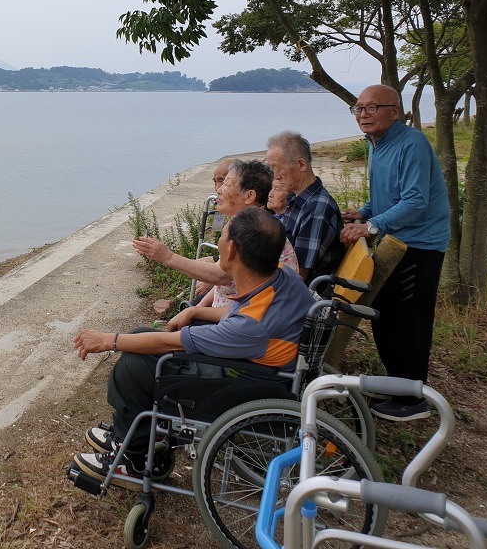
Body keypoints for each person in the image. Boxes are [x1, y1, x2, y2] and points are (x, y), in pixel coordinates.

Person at [72, 208, 316, 483]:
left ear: (232, 250)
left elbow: (171, 342)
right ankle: (132, 434)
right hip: (265, 373)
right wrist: (196, 311)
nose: (219, 240)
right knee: (139, 336)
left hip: (242, 386)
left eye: (223, 235)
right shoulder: (282, 275)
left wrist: (109, 341)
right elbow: (244, 316)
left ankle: (133, 461)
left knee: (133, 366)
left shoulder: (249, 327)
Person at [340, 85, 450, 422]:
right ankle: (397, 384)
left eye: (372, 107)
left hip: (421, 245)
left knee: (410, 320)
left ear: (395, 111)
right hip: (396, 241)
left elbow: (415, 200)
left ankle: (412, 400)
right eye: (359, 108)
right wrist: (363, 212)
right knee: (384, 313)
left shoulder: (411, 143)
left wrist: (371, 226)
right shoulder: (375, 143)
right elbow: (388, 195)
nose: (363, 114)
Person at [135, 160, 298, 309]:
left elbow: (221, 276)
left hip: (245, 320)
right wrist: (199, 307)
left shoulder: (254, 230)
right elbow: (226, 280)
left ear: (249, 196)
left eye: (225, 183)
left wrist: (168, 257)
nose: (218, 190)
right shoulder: (248, 220)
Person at [266, 131, 344, 283]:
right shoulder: (295, 198)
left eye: (279, 168)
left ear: (301, 165)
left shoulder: (317, 209)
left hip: (296, 291)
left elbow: (298, 274)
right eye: (272, 169)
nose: (276, 176)